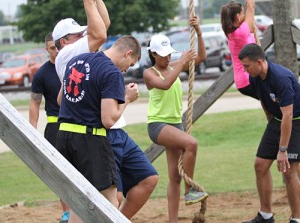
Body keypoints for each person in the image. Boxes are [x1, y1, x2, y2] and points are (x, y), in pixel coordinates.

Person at [56, 35, 140, 223]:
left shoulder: (77, 60)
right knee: (110, 201)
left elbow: (61, 100)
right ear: (128, 53)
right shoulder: (112, 72)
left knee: (79, 202)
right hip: (89, 140)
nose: (127, 69)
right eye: (131, 64)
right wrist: (127, 98)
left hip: (64, 137)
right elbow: (108, 119)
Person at [239, 43, 300, 223]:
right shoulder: (256, 76)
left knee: (288, 171)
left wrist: (282, 149)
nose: (245, 70)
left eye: (247, 66)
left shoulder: (281, 78)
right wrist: (271, 124)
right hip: (278, 120)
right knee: (260, 165)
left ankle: (296, 218)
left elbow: (289, 114)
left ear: (259, 62)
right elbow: (265, 101)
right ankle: (266, 215)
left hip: (298, 121)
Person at [143, 16, 208, 223]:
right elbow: (164, 85)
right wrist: (181, 62)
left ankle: (173, 220)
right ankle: (190, 191)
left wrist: (198, 32)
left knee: (174, 177)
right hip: (158, 125)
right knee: (192, 143)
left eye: (169, 54)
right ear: (153, 54)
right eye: (162, 55)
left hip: (175, 124)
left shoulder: (174, 67)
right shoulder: (149, 73)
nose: (167, 58)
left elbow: (202, 57)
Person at [28, 32, 69, 223]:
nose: (56, 51)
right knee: (61, 172)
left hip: (76, 123)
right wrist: (32, 129)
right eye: (52, 48)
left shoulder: (73, 66)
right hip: (54, 127)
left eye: (58, 46)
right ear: (47, 50)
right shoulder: (42, 74)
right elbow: (35, 103)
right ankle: (67, 211)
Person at [220, 0, 257, 99]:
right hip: (248, 79)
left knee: (268, 101)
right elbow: (251, 8)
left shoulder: (232, 32)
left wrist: (248, 2)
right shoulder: (240, 33)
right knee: (275, 99)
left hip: (243, 80)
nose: (244, 14)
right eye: (242, 12)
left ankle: (273, 119)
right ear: (237, 16)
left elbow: (250, 11)